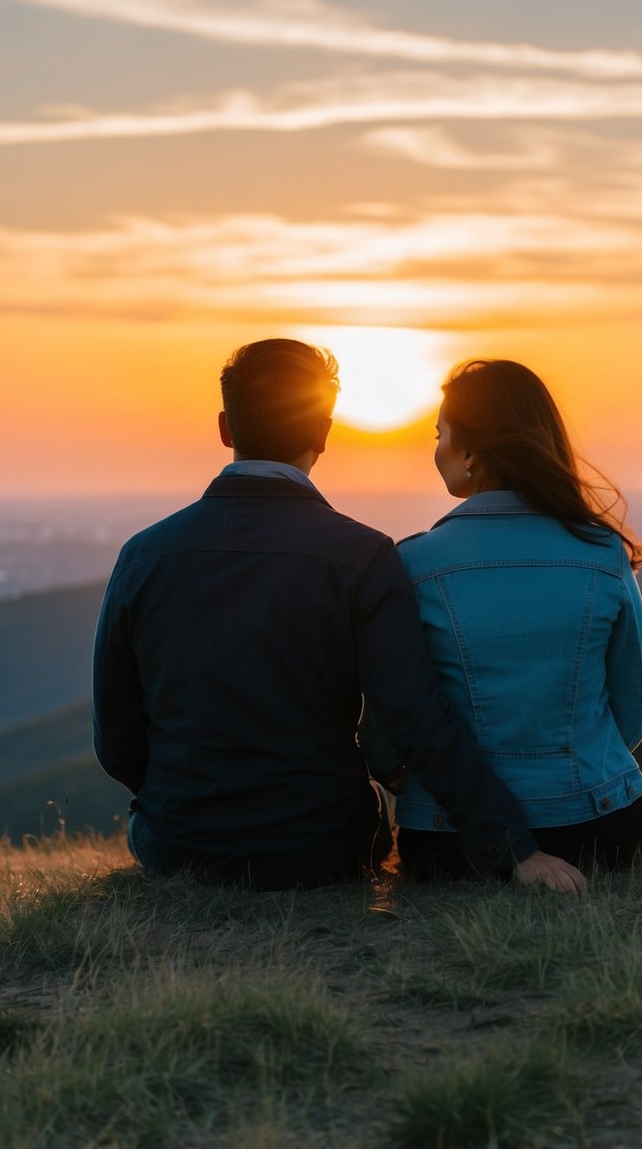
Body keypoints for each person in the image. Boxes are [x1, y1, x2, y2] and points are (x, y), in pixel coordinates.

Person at [93, 339, 585, 894]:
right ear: (322, 432)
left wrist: (186, 807)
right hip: (321, 851)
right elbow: (417, 720)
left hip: (175, 848)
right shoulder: (362, 557)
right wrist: (513, 848)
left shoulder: (143, 555)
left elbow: (116, 739)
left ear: (226, 428)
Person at [377, 358, 642, 880]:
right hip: (600, 827)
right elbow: (631, 711)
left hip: (449, 840)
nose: (436, 449)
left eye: (440, 434)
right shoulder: (603, 553)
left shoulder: (411, 565)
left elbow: (395, 718)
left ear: (472, 450)